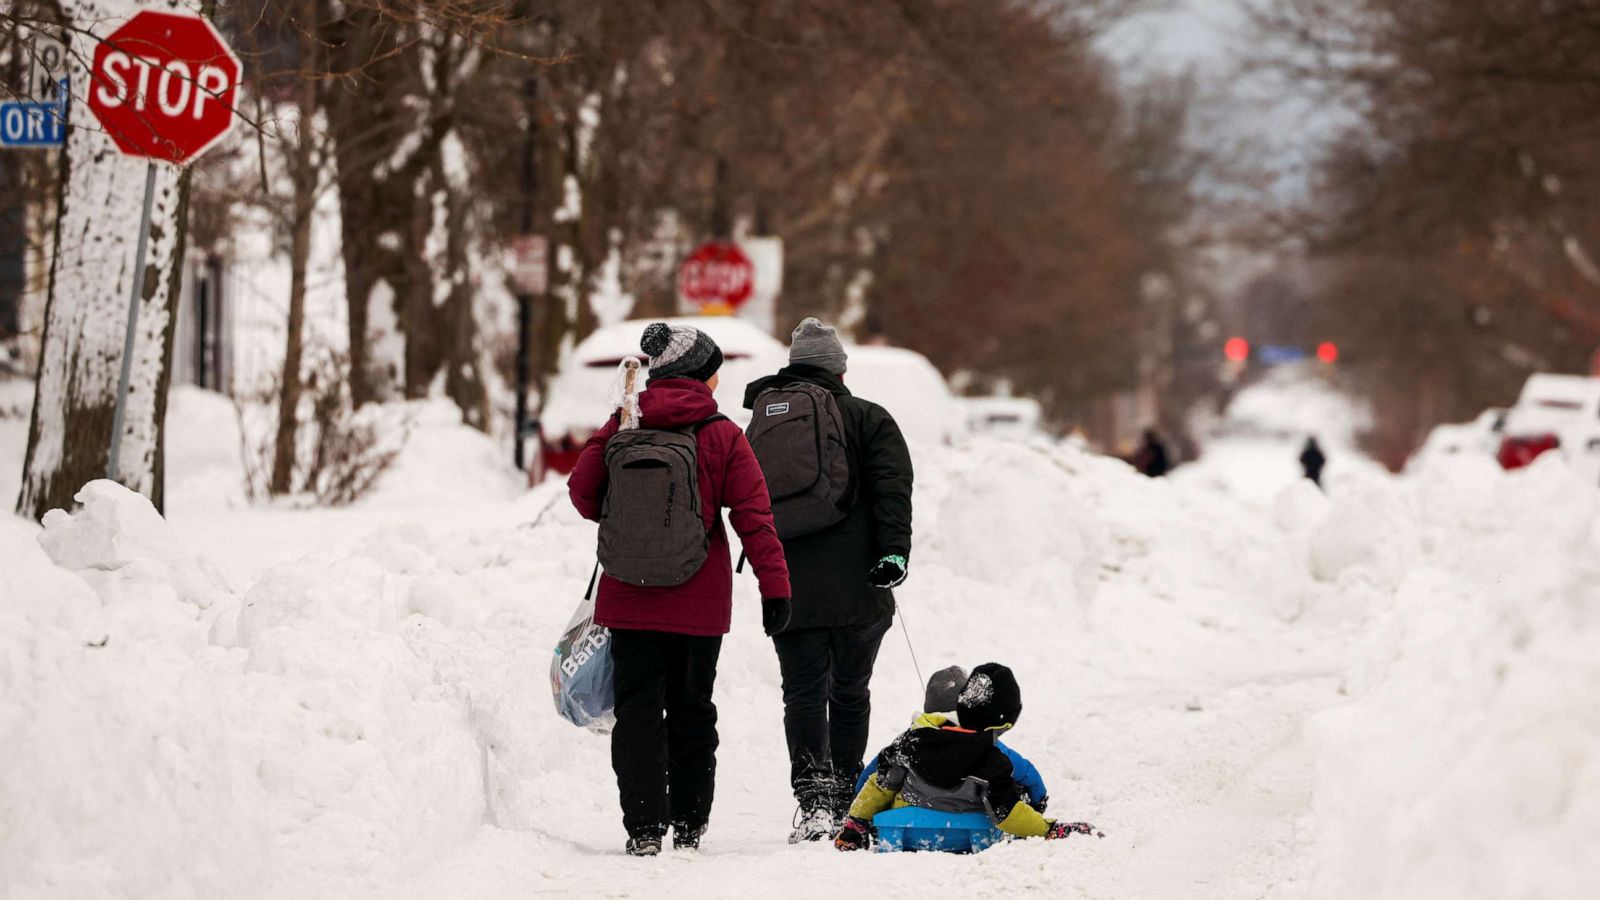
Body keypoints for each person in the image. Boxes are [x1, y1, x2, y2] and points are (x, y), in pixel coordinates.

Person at [569, 322, 792, 857]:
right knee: (692, 709)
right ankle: (690, 825)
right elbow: (753, 517)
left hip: (628, 596)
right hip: (698, 599)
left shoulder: (626, 422)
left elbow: (582, 495)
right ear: (700, 375)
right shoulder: (720, 434)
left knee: (638, 712)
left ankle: (645, 828)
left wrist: (613, 433)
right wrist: (775, 588)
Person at [743, 318, 914, 842]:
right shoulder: (869, 417)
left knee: (802, 692)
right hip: (860, 581)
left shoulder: (765, 421)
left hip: (789, 580)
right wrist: (893, 553)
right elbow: (892, 488)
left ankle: (813, 799)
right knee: (849, 689)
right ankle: (843, 792)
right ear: (840, 367)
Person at [833, 663, 1099, 850]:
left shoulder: (909, 743)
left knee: (889, 781)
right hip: (966, 832)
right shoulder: (992, 758)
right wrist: (1046, 826)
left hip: (909, 829)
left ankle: (859, 827)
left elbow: (877, 782)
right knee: (1003, 796)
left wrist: (855, 819)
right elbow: (1009, 813)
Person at [855, 665, 1048, 812]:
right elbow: (1027, 773)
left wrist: (857, 799)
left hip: (913, 811)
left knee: (892, 779)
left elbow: (875, 771)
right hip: (969, 814)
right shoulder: (984, 742)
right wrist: (1038, 801)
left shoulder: (910, 740)